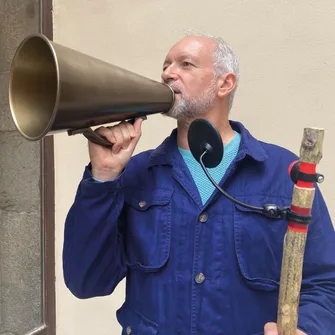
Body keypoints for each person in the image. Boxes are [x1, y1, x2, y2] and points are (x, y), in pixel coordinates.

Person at [62, 33, 335, 335]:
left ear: (224, 83)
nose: (167, 73)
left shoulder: (284, 173)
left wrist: (307, 329)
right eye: (165, 66)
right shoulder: (135, 174)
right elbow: (86, 281)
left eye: (186, 64)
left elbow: (324, 283)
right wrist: (102, 177)